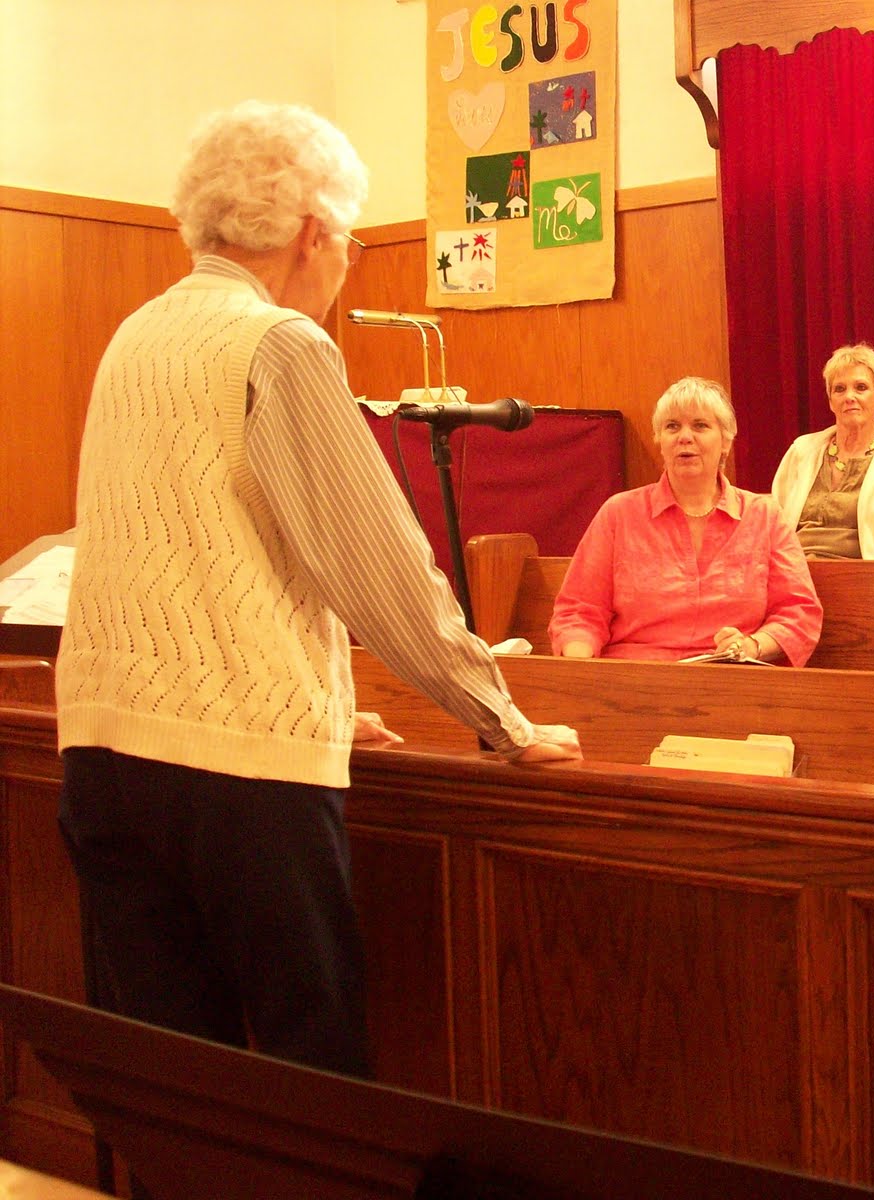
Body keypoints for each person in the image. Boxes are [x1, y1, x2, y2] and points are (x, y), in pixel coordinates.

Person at [53, 101, 581, 1082]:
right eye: (351, 240)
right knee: (312, 1077)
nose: (347, 263)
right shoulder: (279, 342)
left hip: (101, 757)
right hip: (239, 784)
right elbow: (376, 562)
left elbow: (204, 553)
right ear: (313, 232)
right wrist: (501, 719)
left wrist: (320, 705)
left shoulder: (136, 334)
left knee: (174, 1082)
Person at [550, 376, 823, 664]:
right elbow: (580, 611)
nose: (684, 437)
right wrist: (581, 670)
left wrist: (752, 645)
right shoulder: (618, 513)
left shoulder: (765, 516)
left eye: (700, 425)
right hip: (635, 675)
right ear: (660, 441)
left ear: (726, 441)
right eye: (672, 426)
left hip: (731, 675)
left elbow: (798, 611)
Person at [770, 343, 874, 560]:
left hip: (864, 575)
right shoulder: (801, 450)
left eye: (861, 387)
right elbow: (772, 527)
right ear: (831, 401)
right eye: (839, 389)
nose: (849, 397)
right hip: (796, 570)